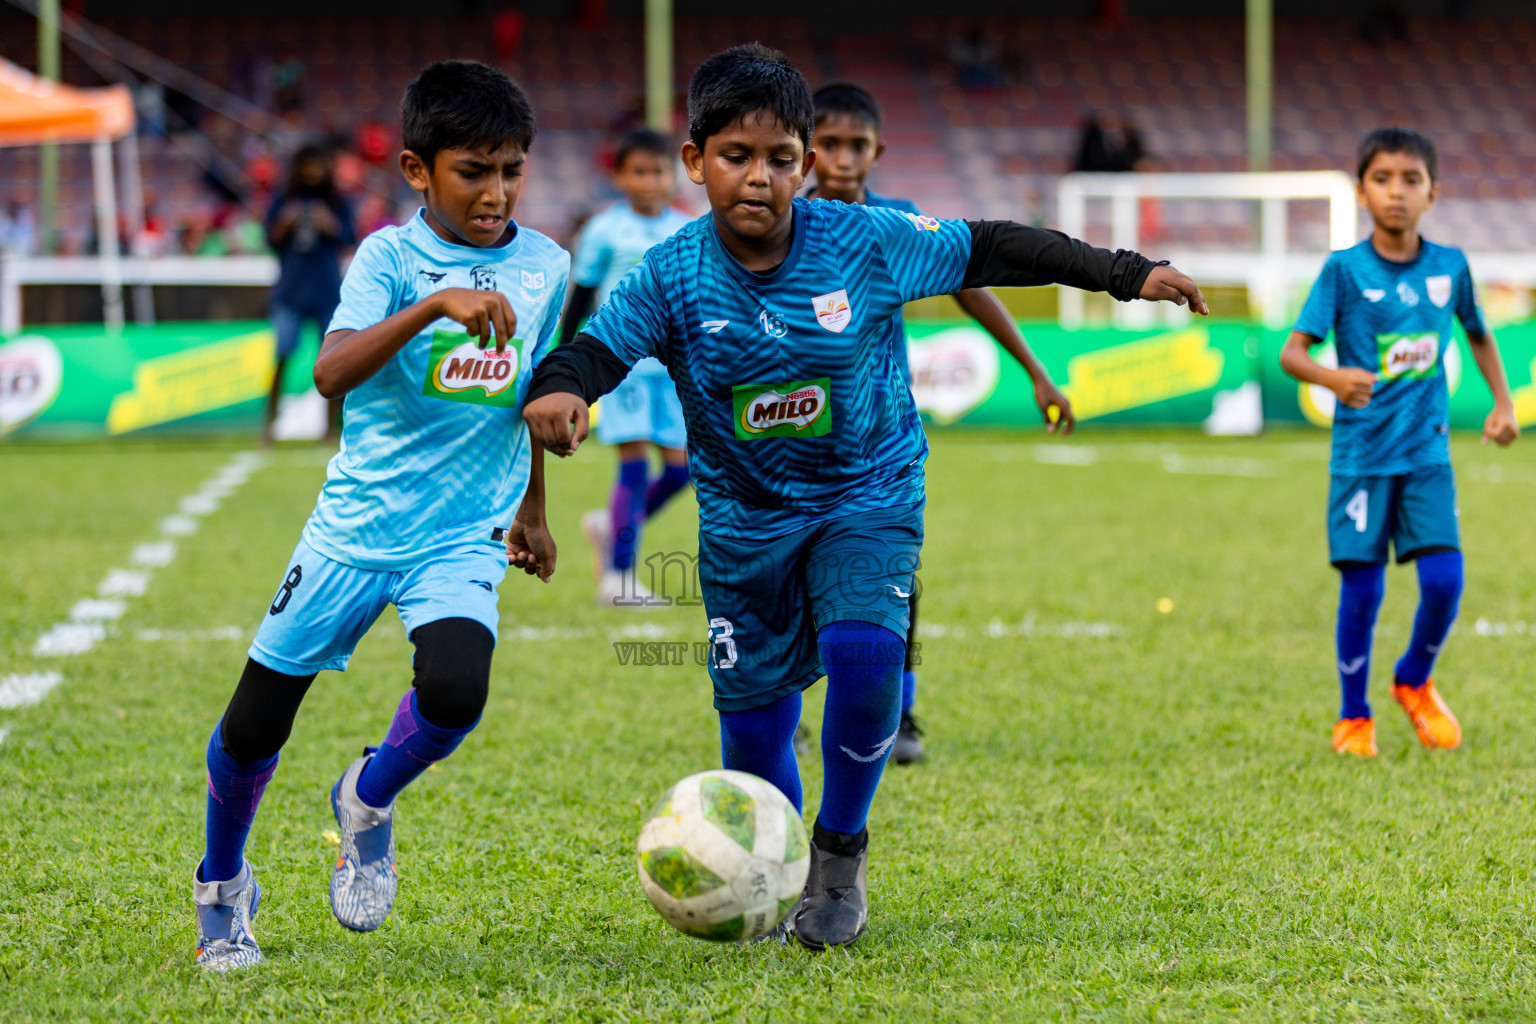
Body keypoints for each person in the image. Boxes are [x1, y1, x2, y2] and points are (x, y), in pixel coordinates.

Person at [523, 43, 1206, 951]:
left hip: (867, 490)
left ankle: (840, 856)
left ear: (805, 164)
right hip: (741, 520)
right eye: (736, 157)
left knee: (865, 654)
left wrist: (1124, 272)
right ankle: (776, 868)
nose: (759, 178)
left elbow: (995, 246)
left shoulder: (867, 240)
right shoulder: (669, 272)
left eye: (779, 159)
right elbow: (593, 349)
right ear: (696, 164)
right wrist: (566, 389)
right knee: (758, 731)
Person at [192, 60, 567, 971]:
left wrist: (534, 507)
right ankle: (223, 884)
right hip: (354, 529)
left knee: (454, 693)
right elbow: (328, 373)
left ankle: (366, 795)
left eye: (511, 169)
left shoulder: (548, 265)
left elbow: (531, 394)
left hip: (463, 532)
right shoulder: (388, 259)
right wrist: (434, 303)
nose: (495, 191)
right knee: (253, 728)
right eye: (473, 170)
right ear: (416, 169)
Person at [808, 81, 1075, 765]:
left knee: (893, 574)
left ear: (878, 152)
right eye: (828, 144)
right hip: (796, 442)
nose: (841, 158)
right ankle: (794, 706)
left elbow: (970, 287)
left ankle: (903, 715)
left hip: (879, 441)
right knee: (797, 578)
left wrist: (1036, 370)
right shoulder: (783, 222)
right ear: (805, 150)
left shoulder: (900, 222)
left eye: (855, 146)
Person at [1280, 127, 1518, 759]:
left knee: (1445, 582)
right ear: (1362, 191)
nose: (1396, 192)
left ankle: (1413, 679)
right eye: (1383, 179)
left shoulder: (1451, 267)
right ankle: (1353, 716)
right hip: (1360, 458)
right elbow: (1292, 353)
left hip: (1427, 456)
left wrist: (1503, 403)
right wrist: (1333, 377)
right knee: (1364, 589)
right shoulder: (1344, 270)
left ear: (1432, 194)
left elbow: (1480, 335)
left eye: (1411, 180)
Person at [561, 129, 695, 605]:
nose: (650, 181)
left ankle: (608, 524)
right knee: (634, 467)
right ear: (620, 176)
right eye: (639, 172)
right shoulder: (603, 230)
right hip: (622, 367)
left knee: (682, 473)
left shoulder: (686, 228)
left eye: (659, 172)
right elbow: (580, 295)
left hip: (673, 371)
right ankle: (618, 580)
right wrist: (565, 362)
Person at [263, 145, 356, 444]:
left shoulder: (337, 201)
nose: (313, 172)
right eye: (308, 165)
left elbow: (349, 239)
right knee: (281, 357)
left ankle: (331, 430)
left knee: (334, 364)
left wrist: (328, 223)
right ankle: (268, 427)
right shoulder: (284, 198)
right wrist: (286, 223)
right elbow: (269, 238)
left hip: (327, 291)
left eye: (319, 165)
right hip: (291, 291)